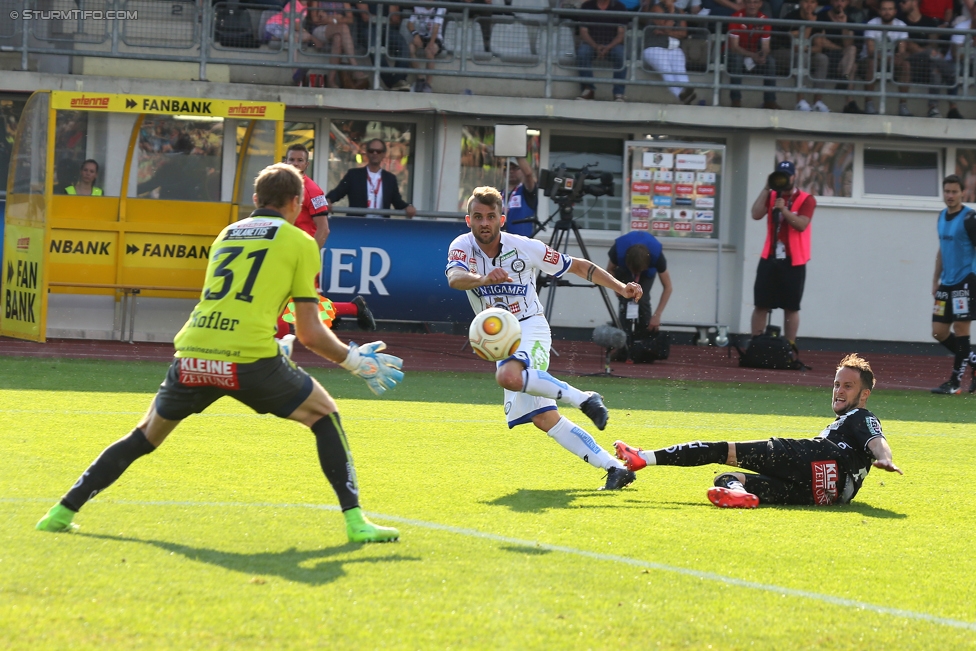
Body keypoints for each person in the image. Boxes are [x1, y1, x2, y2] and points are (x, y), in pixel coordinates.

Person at [35, 163, 404, 542]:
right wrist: (353, 360)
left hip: (193, 354)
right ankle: (356, 522)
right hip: (248, 360)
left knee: (145, 436)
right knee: (325, 416)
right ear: (296, 203)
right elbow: (310, 333)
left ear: (256, 200)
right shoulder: (301, 242)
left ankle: (61, 511)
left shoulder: (227, 234)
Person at [446, 186, 644, 490]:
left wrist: (620, 288)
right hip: (502, 338)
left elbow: (578, 266)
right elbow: (455, 278)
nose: (484, 222)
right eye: (477, 217)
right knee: (544, 418)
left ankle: (585, 398)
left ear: (502, 218)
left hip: (529, 326)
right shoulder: (461, 246)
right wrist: (484, 278)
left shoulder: (525, 246)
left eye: (490, 216)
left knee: (509, 376)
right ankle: (615, 467)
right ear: (468, 220)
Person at [613, 354, 902, 508]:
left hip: (815, 457)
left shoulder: (859, 415)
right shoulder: (849, 420)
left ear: (864, 395)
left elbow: (877, 440)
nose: (839, 391)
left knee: (723, 451)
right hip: (825, 492)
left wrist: (885, 458)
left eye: (847, 386)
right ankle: (739, 494)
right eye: (837, 384)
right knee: (726, 478)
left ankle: (643, 457)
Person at [750, 160, 815, 347]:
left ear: (794, 177)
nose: (783, 179)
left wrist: (784, 210)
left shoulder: (806, 199)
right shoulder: (771, 196)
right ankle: (756, 342)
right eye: (779, 175)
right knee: (761, 303)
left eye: (786, 175)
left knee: (791, 306)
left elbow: (801, 225)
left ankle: (790, 345)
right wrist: (766, 188)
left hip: (794, 260)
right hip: (769, 257)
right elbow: (755, 214)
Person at [930, 174, 976, 394]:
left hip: (965, 282)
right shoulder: (941, 216)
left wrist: (973, 278)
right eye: (947, 191)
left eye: (954, 192)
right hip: (946, 284)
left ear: (962, 193)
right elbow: (941, 251)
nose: (950, 195)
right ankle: (973, 359)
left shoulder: (970, 218)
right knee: (938, 331)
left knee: (961, 330)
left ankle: (955, 383)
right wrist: (935, 279)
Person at [606, 230, 673, 349]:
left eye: (638, 271)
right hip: (625, 269)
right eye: (634, 271)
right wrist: (616, 288)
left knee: (642, 299)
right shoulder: (617, 251)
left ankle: (643, 340)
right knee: (625, 298)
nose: (636, 274)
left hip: (647, 272)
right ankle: (623, 339)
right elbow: (609, 270)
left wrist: (657, 315)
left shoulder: (657, 257)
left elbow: (668, 287)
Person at [326, 138, 417, 219]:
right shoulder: (354, 175)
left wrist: (408, 207)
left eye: (378, 151)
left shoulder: (390, 179)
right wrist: (328, 200)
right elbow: (338, 193)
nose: (374, 153)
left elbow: (397, 202)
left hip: (381, 228)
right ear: (367, 153)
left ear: (384, 154)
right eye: (371, 151)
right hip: (357, 227)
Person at [898, 0, 959, 118]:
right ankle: (951, 74)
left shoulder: (928, 22)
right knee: (932, 54)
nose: (900, 4)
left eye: (904, 2)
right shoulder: (901, 22)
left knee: (936, 69)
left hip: (928, 64)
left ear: (914, 2)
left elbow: (934, 44)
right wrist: (927, 52)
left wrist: (922, 50)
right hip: (912, 63)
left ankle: (933, 108)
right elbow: (907, 46)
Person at [852, 0, 911, 115]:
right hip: (871, 60)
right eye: (884, 9)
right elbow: (871, 51)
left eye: (890, 9)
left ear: (895, 11)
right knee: (872, 63)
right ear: (879, 11)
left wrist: (900, 56)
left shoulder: (901, 25)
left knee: (906, 65)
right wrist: (890, 58)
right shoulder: (872, 24)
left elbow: (902, 49)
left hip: (891, 62)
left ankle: (903, 106)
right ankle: (869, 104)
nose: (887, 12)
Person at [641, 0, 698, 104]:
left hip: (673, 47)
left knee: (679, 69)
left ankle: (687, 90)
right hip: (654, 47)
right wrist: (671, 11)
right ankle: (682, 96)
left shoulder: (680, 11)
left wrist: (666, 32)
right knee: (666, 69)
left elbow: (683, 33)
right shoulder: (656, 8)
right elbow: (666, 27)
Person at [727, 0, 780, 109]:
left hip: (753, 54)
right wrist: (753, 55)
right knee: (737, 59)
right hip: (732, 54)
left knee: (770, 61)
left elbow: (766, 46)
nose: (752, 5)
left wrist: (762, 55)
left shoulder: (764, 19)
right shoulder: (736, 17)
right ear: (744, 4)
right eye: (749, 2)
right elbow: (734, 47)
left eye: (755, 2)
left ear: (761, 4)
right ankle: (735, 100)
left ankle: (769, 101)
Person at [576, 0, 629, 101]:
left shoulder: (619, 7)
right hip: (591, 44)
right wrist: (596, 46)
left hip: (612, 45)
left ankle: (618, 93)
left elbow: (621, 34)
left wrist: (608, 47)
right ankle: (588, 89)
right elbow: (583, 32)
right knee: (582, 53)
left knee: (622, 55)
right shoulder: (587, 6)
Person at [285, 144, 330, 250]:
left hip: (300, 249)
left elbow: (323, 229)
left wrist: (310, 254)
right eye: (291, 159)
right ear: (285, 162)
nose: (295, 164)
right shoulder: (279, 186)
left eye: (300, 160)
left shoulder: (313, 191)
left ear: (306, 164)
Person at [406, 5, 447, 93]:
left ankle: (428, 85)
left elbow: (436, 27)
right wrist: (415, 34)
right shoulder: (417, 7)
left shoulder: (440, 8)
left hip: (436, 38)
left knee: (430, 51)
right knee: (410, 48)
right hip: (422, 36)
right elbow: (409, 24)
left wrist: (431, 43)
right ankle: (420, 79)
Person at [502, 157, 539, 237]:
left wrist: (518, 152)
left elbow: (528, 174)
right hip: (501, 244)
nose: (511, 171)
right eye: (507, 168)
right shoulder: (498, 194)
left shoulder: (526, 191)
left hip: (522, 244)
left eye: (515, 168)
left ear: (522, 170)